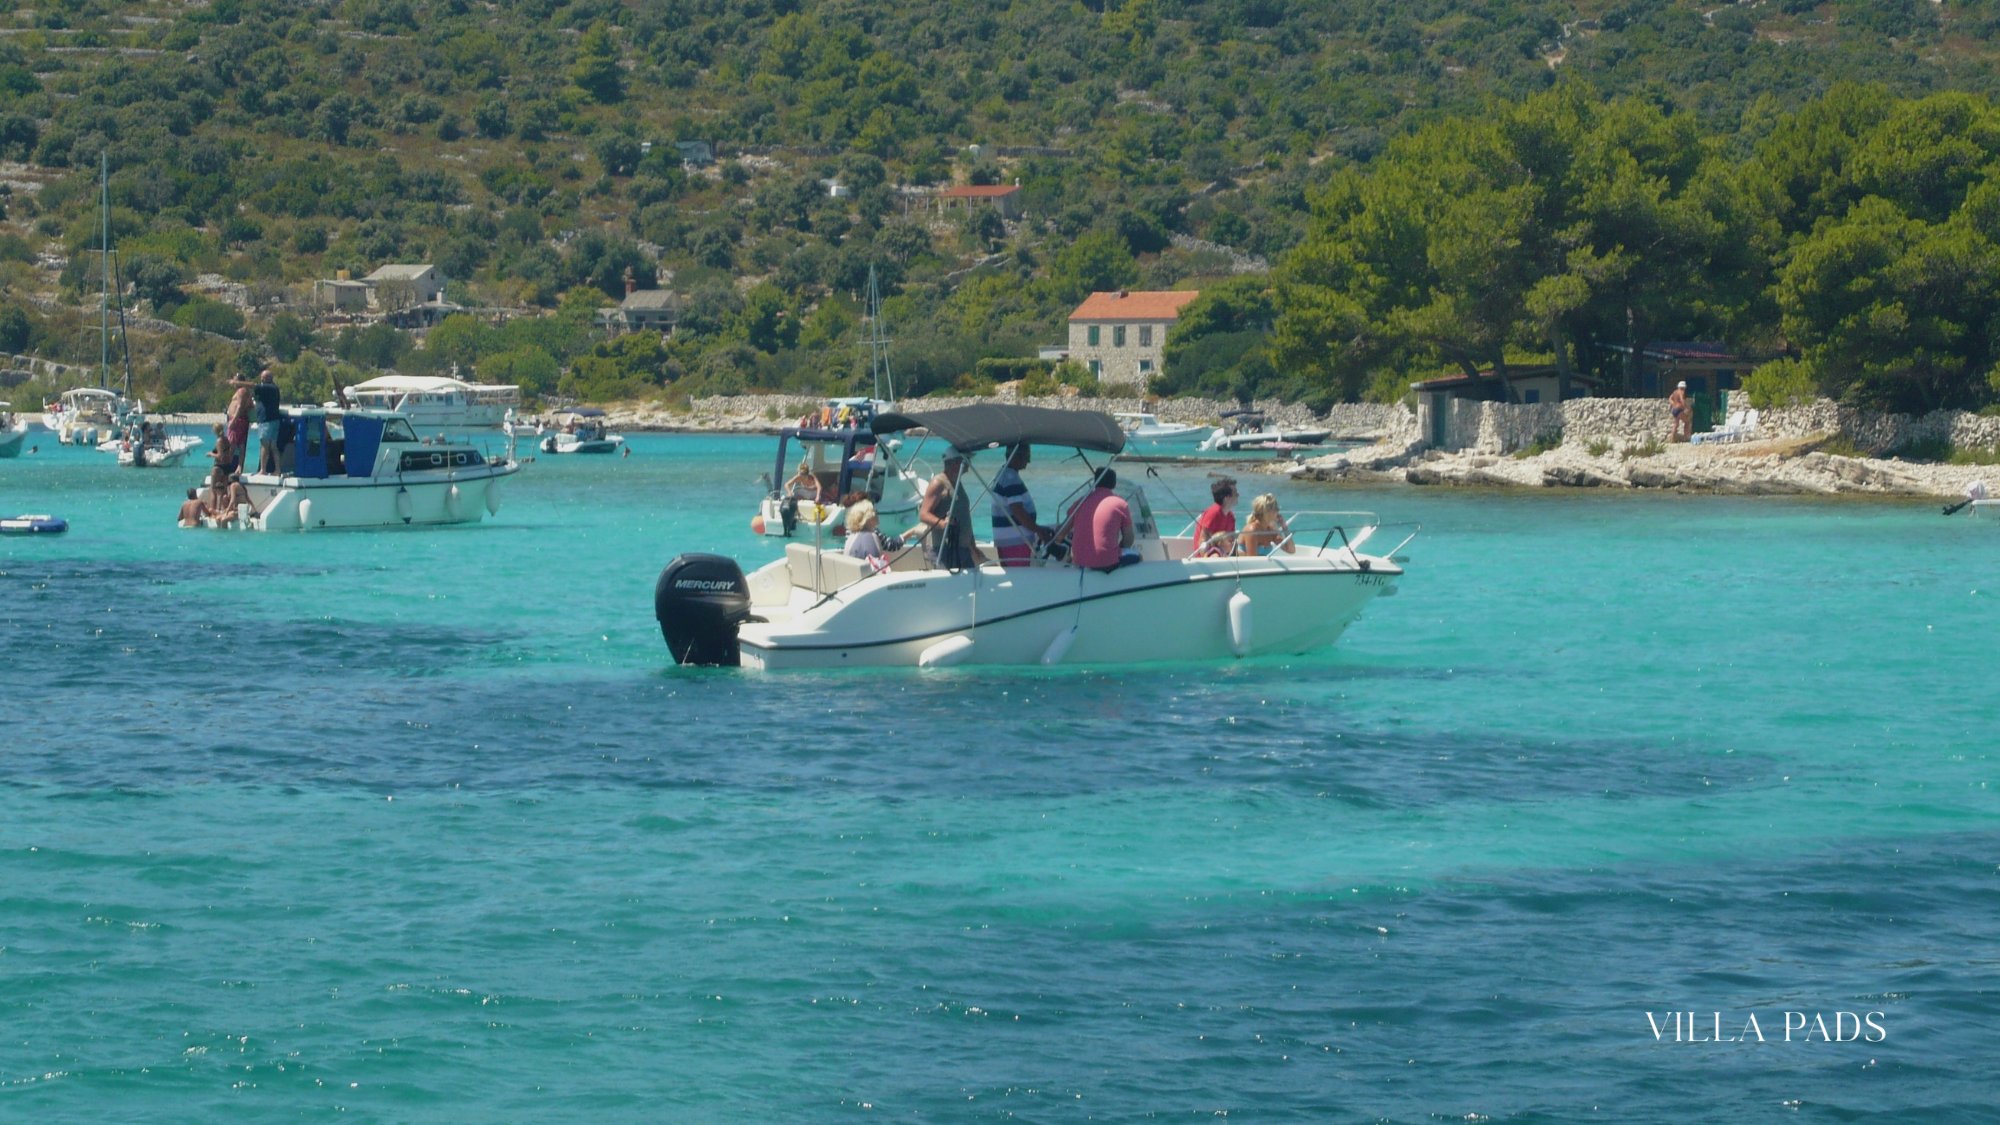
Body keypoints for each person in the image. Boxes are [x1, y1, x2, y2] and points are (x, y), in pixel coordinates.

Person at [918, 451, 984, 570]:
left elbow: (964, 515)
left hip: (962, 548)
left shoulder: (957, 483)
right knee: (950, 585)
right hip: (943, 547)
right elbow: (924, 514)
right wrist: (943, 524)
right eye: (967, 461)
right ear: (955, 463)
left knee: (968, 584)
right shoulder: (938, 483)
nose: (969, 465)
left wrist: (972, 545)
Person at [990, 443, 1052, 567]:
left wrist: (1036, 527)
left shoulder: (1003, 474)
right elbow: (1018, 511)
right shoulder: (1010, 478)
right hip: (1015, 541)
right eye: (1026, 456)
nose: (1028, 461)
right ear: (1014, 457)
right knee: (1019, 575)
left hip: (1007, 540)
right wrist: (1038, 530)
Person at [1068, 467, 1136, 572]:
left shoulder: (1079, 503)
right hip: (1107, 563)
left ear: (1095, 482)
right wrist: (1117, 549)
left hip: (1079, 562)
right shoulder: (1121, 504)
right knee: (1137, 556)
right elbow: (1129, 539)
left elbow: (1060, 535)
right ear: (1114, 484)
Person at [843, 499, 901, 568]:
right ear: (868, 517)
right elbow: (879, 569)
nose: (877, 513)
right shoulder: (869, 537)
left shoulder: (852, 536)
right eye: (874, 511)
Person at [1192, 476, 1239, 557]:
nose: (1238, 495)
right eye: (1235, 493)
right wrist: (1206, 561)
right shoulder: (1214, 512)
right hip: (1209, 557)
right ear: (1227, 497)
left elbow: (1233, 542)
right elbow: (1203, 540)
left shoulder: (1230, 516)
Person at [252, 369, 282, 473]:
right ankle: (277, 470)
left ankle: (263, 470)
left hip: (267, 421)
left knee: (264, 445)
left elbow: (253, 386)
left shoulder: (270, 387)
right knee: (273, 446)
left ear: (269, 378)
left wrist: (237, 383)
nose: (261, 379)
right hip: (273, 421)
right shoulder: (273, 388)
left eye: (263, 378)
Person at [224, 375, 254, 476]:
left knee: (233, 443)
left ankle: (232, 466)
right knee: (239, 444)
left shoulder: (242, 391)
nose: (233, 382)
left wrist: (234, 420)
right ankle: (236, 466)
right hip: (239, 419)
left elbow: (240, 406)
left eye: (235, 380)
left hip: (237, 420)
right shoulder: (243, 391)